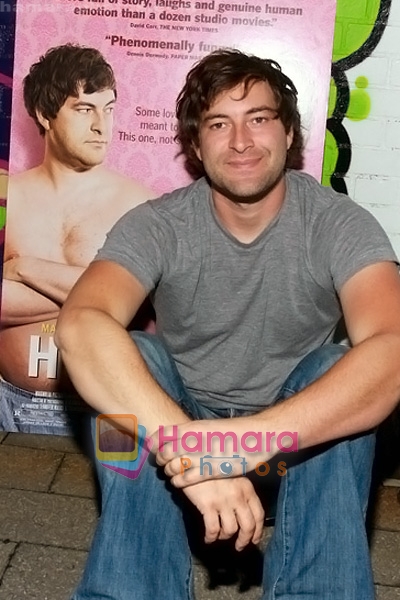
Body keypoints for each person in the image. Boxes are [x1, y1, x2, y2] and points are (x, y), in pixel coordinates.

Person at [55, 49, 400, 600]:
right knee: (128, 363)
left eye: (259, 119)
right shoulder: (159, 223)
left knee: (342, 369)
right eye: (219, 124)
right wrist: (190, 446)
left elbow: (392, 350)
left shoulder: (339, 224)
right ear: (195, 146)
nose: (241, 141)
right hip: (180, 423)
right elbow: (80, 325)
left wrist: (237, 444)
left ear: (289, 136)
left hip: (292, 437)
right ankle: (130, 591)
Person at [0, 44, 154, 434]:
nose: (103, 126)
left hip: (108, 409)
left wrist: (24, 267)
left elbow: (143, 298)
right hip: (7, 403)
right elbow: (115, 297)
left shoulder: (140, 204)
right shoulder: (6, 197)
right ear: (43, 114)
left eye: (110, 108)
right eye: (85, 109)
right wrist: (94, 288)